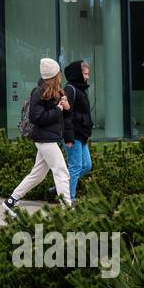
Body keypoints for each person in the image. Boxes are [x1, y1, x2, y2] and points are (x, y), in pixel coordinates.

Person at [3, 57, 71, 220]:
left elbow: (59, 116)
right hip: (44, 139)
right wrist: (58, 109)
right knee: (62, 172)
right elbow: (36, 117)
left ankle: (10, 202)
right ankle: (67, 209)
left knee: (37, 175)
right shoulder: (38, 92)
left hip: (49, 138)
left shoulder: (56, 91)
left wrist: (66, 108)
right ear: (54, 75)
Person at [63, 60, 93, 201]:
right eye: (85, 74)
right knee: (75, 167)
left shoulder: (81, 89)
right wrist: (68, 138)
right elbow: (66, 114)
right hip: (73, 135)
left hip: (82, 135)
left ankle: (62, 186)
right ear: (78, 74)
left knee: (86, 165)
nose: (87, 77)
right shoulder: (70, 89)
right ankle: (69, 200)